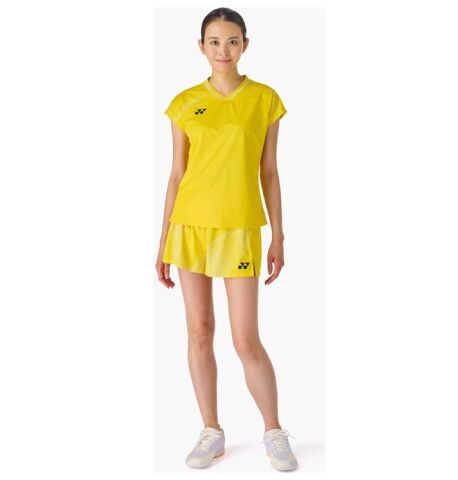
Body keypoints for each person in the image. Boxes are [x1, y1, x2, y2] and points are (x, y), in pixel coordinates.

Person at [155, 7, 297, 472]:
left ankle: (273, 431)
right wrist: (163, 241)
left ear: (245, 45)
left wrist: (278, 235)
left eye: (232, 41)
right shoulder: (184, 103)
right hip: (190, 227)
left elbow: (269, 172)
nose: (223, 50)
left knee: (245, 339)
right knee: (199, 331)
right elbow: (177, 174)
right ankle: (211, 431)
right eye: (214, 41)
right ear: (201, 47)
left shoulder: (265, 99)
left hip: (239, 229)